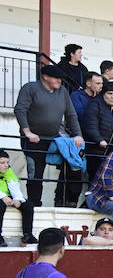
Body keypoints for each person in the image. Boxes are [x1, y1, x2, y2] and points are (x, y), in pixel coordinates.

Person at [15, 64, 84, 208]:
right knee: (35, 171)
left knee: (72, 162)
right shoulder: (31, 88)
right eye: (56, 78)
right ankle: (34, 204)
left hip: (54, 138)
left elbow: (71, 114)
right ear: (45, 77)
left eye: (60, 78)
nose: (60, 80)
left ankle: (64, 200)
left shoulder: (63, 91)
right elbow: (20, 109)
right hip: (34, 139)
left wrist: (78, 134)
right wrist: (27, 132)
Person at [0, 151, 36, 246]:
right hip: (2, 197)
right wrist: (3, 196)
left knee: (28, 205)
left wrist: (17, 198)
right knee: (0, 205)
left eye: (7, 162)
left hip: (7, 196)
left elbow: (13, 184)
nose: (6, 165)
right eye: (2, 163)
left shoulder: (8, 171)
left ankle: (27, 235)